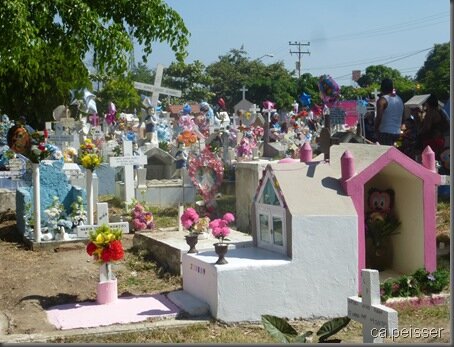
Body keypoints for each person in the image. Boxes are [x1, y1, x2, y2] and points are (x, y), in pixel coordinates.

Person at [417, 94, 449, 159]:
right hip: (441, 139)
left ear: (428, 103)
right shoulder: (440, 111)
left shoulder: (430, 113)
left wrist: (419, 132)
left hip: (431, 140)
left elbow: (426, 128)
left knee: (428, 160)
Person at [374, 78, 404, 145]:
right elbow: (403, 116)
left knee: (387, 154)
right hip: (398, 133)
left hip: (385, 132)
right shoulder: (399, 99)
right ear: (392, 88)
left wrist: (375, 130)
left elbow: (379, 117)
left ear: (381, 88)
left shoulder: (382, 100)